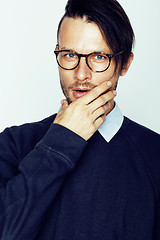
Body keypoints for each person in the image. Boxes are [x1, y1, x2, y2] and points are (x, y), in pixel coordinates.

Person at [0, 0, 160, 239]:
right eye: (70, 54)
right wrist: (61, 141)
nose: (81, 74)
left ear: (125, 63)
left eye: (98, 56)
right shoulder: (13, 144)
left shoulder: (154, 154)